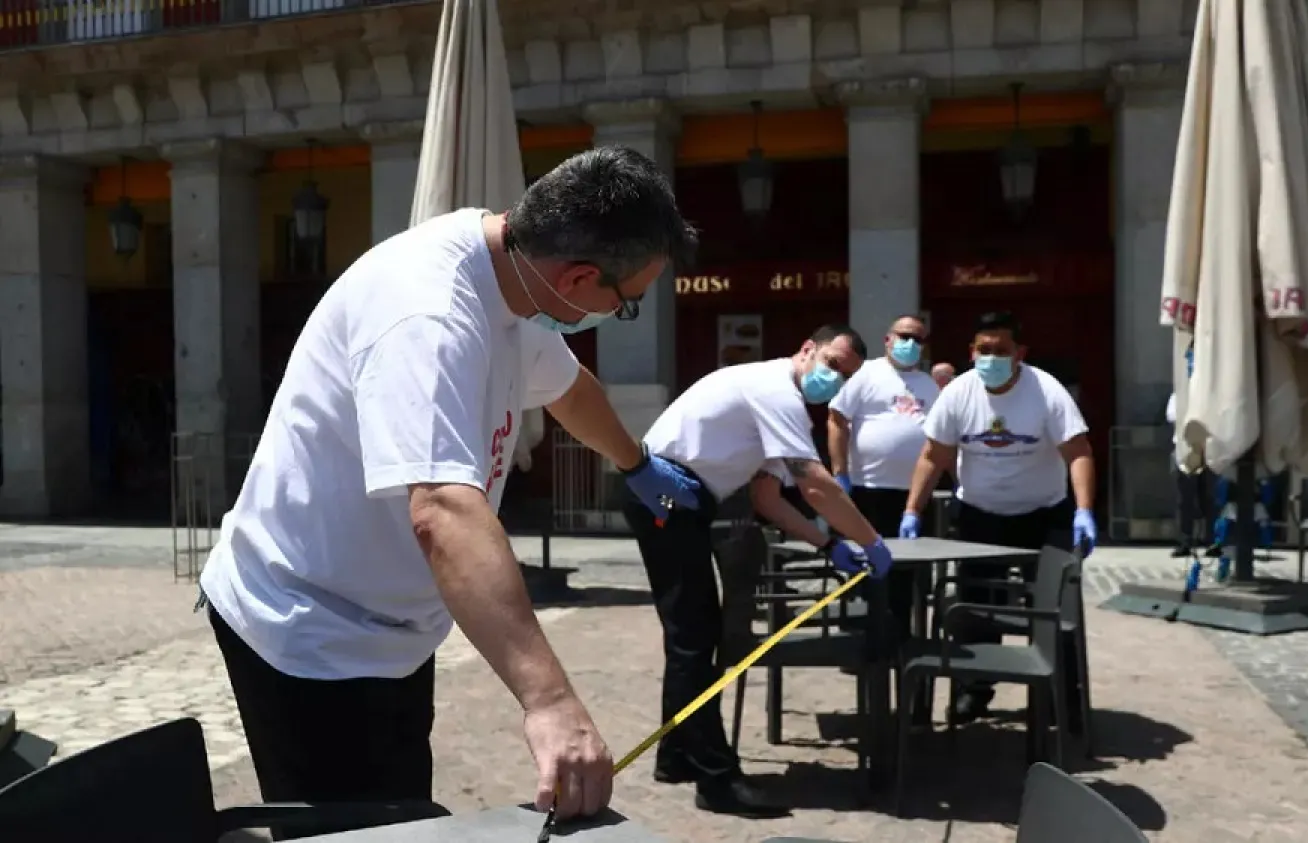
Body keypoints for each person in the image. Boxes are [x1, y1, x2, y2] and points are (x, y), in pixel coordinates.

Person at [197, 147, 702, 836]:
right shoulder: (428, 315)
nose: (621, 312)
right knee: (351, 830)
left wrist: (637, 463)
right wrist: (550, 701)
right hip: (305, 623)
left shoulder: (516, 281)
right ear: (580, 277)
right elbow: (442, 509)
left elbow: (569, 389)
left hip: (392, 627)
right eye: (626, 303)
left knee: (401, 814)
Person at [623, 323, 895, 817]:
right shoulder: (776, 392)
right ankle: (717, 781)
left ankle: (677, 754)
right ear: (806, 349)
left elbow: (768, 499)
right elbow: (814, 483)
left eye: (846, 376)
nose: (834, 379)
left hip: (682, 500)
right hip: (664, 494)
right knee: (694, 636)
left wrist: (828, 543)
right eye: (831, 364)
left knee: (692, 636)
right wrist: (869, 541)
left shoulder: (780, 409)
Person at [899, 311, 1098, 723]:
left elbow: (1077, 451)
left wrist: (1083, 510)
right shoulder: (958, 393)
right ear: (972, 352)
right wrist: (912, 510)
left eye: (1001, 351)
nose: (991, 358)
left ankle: (1064, 700)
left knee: (1055, 612)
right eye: (983, 350)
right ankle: (973, 691)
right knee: (975, 611)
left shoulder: (1045, 390)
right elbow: (933, 455)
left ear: (1020, 353)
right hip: (980, 517)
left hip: (1044, 515)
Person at [827, 314, 940, 638]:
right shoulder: (868, 374)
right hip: (870, 489)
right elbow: (837, 419)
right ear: (888, 339)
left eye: (918, 339)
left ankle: (900, 638)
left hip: (913, 495)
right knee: (867, 567)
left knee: (907, 572)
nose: (910, 344)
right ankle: (862, 640)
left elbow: (941, 437)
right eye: (904, 336)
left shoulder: (927, 384)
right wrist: (840, 473)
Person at [1166, 392, 1219, 558]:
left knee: (1210, 498)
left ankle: (1212, 541)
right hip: (1185, 450)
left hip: (1208, 450)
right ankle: (1185, 541)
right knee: (1184, 499)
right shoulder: (1178, 394)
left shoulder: (1209, 393)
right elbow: (1171, 415)